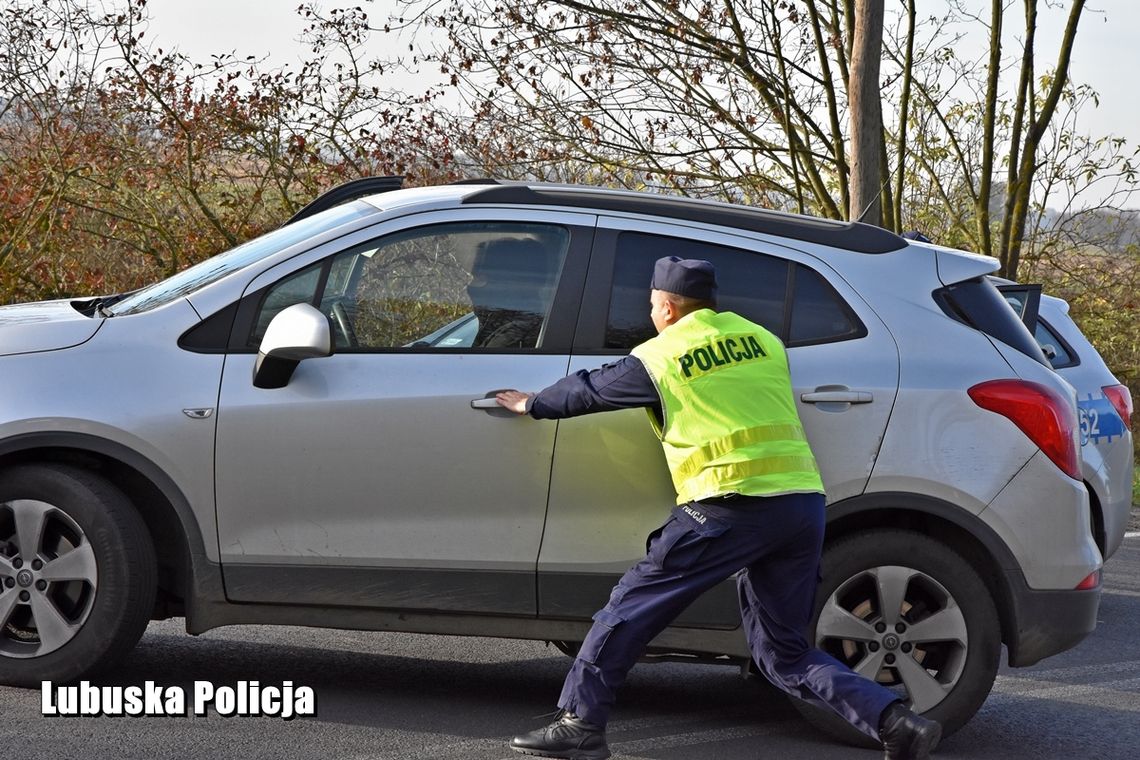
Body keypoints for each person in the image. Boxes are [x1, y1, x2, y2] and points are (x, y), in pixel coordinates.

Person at [495, 256, 942, 760]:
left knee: (629, 608)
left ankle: (580, 721)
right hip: (799, 506)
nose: (651, 315)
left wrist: (530, 403)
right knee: (784, 654)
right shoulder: (763, 340)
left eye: (651, 306)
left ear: (666, 306)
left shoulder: (661, 356)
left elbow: (589, 391)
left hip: (728, 505)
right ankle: (895, 722)